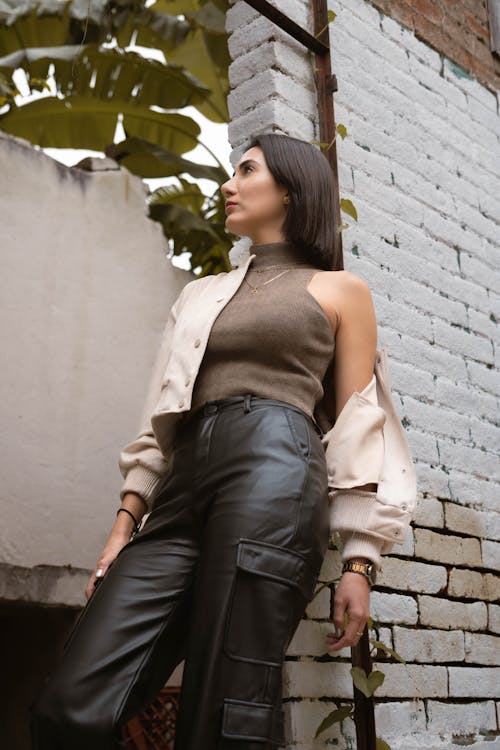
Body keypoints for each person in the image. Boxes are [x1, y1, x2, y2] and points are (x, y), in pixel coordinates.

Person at [30, 133, 416, 749]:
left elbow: (359, 426)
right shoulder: (200, 295)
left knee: (222, 713)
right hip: (183, 482)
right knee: (69, 704)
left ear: (290, 188)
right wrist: (121, 531)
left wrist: (360, 561)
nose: (228, 184)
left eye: (246, 170)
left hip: (277, 470)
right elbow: (161, 416)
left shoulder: (343, 291)